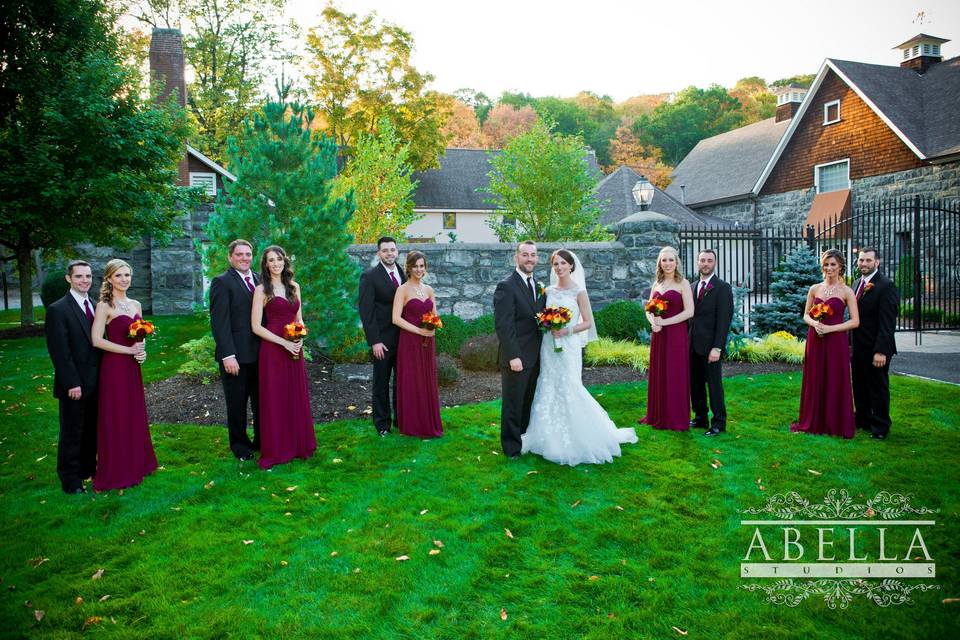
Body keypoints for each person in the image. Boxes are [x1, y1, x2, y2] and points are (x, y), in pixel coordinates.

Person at [522, 250, 638, 465]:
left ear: (571, 266)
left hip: (569, 345)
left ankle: (582, 435)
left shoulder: (579, 291)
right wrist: (547, 323)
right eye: (555, 264)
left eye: (563, 263)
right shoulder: (547, 291)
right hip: (549, 345)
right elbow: (540, 317)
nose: (559, 267)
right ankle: (547, 436)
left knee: (570, 385)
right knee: (548, 383)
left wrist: (566, 330)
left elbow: (587, 322)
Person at [90, 259, 157, 491]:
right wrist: (129, 350)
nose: (124, 279)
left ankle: (137, 463)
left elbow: (140, 333)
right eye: (118, 276)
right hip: (115, 367)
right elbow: (97, 340)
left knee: (133, 412)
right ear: (109, 279)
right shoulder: (104, 306)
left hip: (132, 366)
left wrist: (141, 351)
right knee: (117, 414)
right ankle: (118, 468)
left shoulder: (136, 304)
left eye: (127, 275)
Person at [251, 246, 316, 469]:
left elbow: (299, 319)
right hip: (273, 350)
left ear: (284, 261)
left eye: (279, 259)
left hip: (294, 350)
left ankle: (299, 445)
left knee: (294, 395)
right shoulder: (261, 290)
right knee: (275, 398)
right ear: (266, 264)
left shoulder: (294, 287)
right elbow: (256, 327)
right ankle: (277, 449)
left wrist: (299, 340)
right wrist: (284, 343)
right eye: (271, 260)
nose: (276, 263)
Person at [44, 260, 101, 494]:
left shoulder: (96, 305)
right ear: (69, 279)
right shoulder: (58, 309)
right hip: (75, 384)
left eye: (88, 276)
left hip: (96, 381)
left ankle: (88, 470)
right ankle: (70, 480)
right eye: (79, 277)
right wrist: (72, 383)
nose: (84, 281)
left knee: (90, 430)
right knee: (72, 433)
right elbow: (59, 352)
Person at [791, 249, 860, 438]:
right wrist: (815, 323)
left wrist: (830, 328)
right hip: (816, 339)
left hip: (836, 340)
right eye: (826, 264)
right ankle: (813, 420)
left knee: (835, 377)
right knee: (815, 376)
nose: (829, 268)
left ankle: (834, 422)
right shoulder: (814, 289)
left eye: (833, 265)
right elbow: (806, 314)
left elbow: (855, 321)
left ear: (840, 267)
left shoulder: (847, 291)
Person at [210, 239, 261, 461]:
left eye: (248, 254)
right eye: (239, 254)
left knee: (261, 403)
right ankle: (240, 446)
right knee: (237, 403)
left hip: (260, 354)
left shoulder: (259, 280)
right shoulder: (222, 282)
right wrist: (227, 355)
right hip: (236, 357)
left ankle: (261, 441)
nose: (244, 258)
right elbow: (219, 323)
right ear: (230, 257)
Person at [494, 240, 545, 458]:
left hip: (536, 355)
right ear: (516, 257)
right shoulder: (506, 286)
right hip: (516, 357)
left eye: (533, 255)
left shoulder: (538, 285)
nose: (529, 259)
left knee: (527, 400)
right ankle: (511, 447)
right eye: (525, 255)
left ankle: (523, 438)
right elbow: (504, 325)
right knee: (513, 403)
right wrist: (514, 355)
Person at [640, 246, 694, 431]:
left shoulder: (683, 283)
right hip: (659, 335)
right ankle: (658, 414)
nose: (668, 263)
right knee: (660, 371)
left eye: (671, 260)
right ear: (659, 263)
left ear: (677, 262)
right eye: (664, 260)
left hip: (676, 335)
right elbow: (648, 308)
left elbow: (689, 311)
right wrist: (653, 323)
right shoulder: (657, 284)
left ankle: (675, 417)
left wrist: (665, 322)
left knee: (675, 372)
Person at [392, 251, 443, 438]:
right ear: (409, 267)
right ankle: (413, 424)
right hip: (410, 342)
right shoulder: (403, 290)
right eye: (415, 266)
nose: (419, 270)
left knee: (426, 379)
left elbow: (435, 315)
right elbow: (395, 318)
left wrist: (434, 326)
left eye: (422, 266)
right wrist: (419, 330)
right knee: (412, 380)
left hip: (428, 342)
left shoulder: (429, 290)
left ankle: (428, 421)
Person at [358, 237, 406, 437]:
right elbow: (366, 312)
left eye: (392, 250)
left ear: (397, 252)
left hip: (404, 339)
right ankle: (382, 424)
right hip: (382, 341)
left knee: (402, 382)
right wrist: (375, 341)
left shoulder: (403, 274)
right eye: (385, 250)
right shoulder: (370, 277)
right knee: (381, 383)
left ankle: (401, 420)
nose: (389, 253)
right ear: (378, 253)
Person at [850, 247, 899, 440]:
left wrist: (881, 351)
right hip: (858, 347)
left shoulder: (886, 286)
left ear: (877, 262)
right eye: (861, 260)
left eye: (868, 261)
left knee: (877, 387)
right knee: (860, 385)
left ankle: (880, 426)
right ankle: (863, 420)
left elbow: (888, 323)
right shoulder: (856, 284)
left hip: (876, 349)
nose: (863, 264)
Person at [688, 249, 734, 436]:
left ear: (714, 263)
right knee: (695, 384)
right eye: (702, 260)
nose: (705, 264)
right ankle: (700, 417)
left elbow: (724, 320)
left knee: (714, 386)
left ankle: (718, 423)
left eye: (709, 260)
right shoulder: (691, 286)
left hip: (711, 347)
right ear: (697, 263)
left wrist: (717, 347)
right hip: (692, 345)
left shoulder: (722, 288)